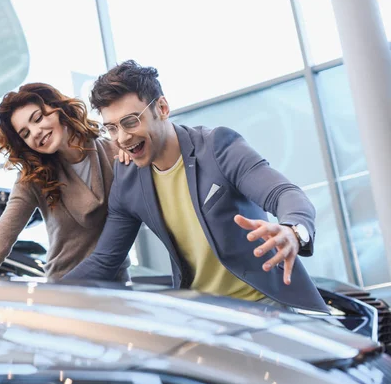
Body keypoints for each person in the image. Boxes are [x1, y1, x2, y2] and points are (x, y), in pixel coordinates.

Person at [63, 60, 328, 313]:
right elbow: (104, 261)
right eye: (112, 128)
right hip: (203, 320)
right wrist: (36, 298)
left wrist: (294, 231)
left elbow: (284, 194)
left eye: (131, 122)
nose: (122, 137)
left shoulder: (217, 147)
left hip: (265, 307)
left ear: (162, 108)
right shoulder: (127, 179)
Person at [0, 83, 131, 280]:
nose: (35, 132)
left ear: (58, 109)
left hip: (118, 284)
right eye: (25, 134)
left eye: (37, 118)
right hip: (65, 290)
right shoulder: (32, 179)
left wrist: (130, 152)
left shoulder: (114, 152)